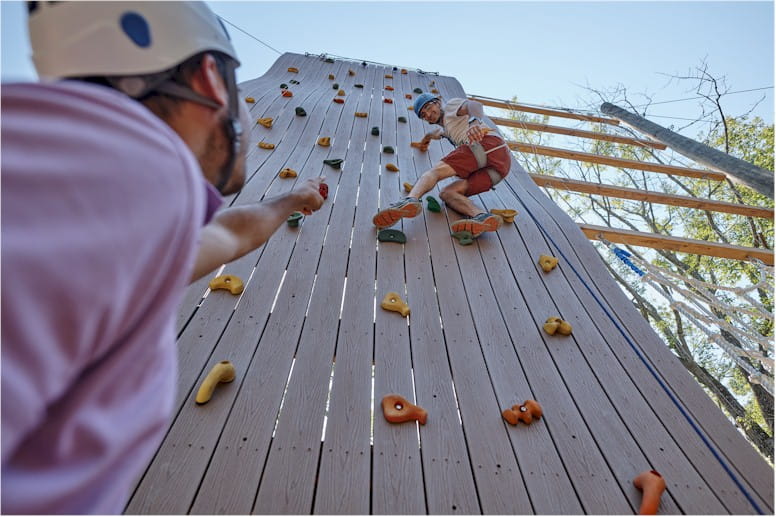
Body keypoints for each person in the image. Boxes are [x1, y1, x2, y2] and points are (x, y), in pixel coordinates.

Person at [1, 2, 324, 514]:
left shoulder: (122, 211)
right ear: (210, 79)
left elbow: (223, 238)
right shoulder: (136, 158)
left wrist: (291, 200)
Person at [372, 92, 511, 237]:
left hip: (486, 143)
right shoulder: (446, 129)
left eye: (428, 107)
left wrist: (474, 123)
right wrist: (425, 140)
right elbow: (436, 133)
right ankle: (482, 216)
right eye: (423, 115)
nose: (428, 114)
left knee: (434, 172)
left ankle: (410, 199)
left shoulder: (451, 106)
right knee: (447, 193)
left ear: (438, 102)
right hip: (498, 170)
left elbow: (474, 105)